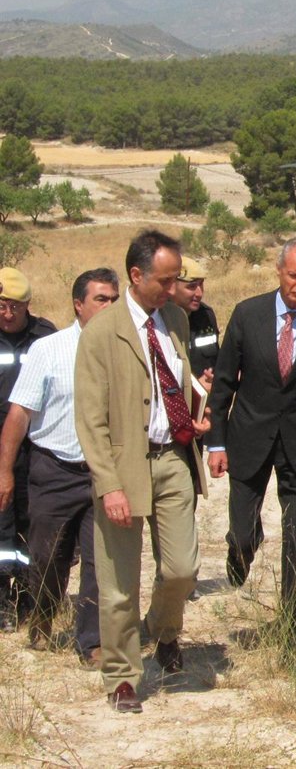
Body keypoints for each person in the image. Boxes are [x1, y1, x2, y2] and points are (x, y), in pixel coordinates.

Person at [75, 230, 210, 713]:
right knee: (118, 583)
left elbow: (172, 382)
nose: (174, 289)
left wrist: (192, 416)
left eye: (177, 279)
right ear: (136, 275)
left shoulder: (174, 320)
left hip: (173, 457)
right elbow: (90, 419)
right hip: (123, 464)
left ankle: (164, 631)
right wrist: (108, 484)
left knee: (182, 569)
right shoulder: (101, 332)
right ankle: (123, 677)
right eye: (165, 280)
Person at [207, 237, 296, 640]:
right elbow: (224, 383)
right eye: (294, 275)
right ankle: (241, 549)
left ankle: (293, 621)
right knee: (243, 530)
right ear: (279, 270)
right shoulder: (248, 314)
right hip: (249, 434)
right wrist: (216, 443)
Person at [0, 268, 118, 667]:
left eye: (114, 299)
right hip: (53, 469)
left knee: (100, 560)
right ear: (78, 304)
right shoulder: (48, 349)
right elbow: (19, 414)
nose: (109, 307)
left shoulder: (125, 350)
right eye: (101, 299)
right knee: (48, 558)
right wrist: (5, 471)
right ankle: (43, 615)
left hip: (103, 471)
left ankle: (92, 641)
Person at [0, 267, 56, 630]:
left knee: (29, 523)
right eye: (1, 306)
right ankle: (2, 600)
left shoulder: (44, 336)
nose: (8, 314)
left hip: (34, 448)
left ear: (28, 305)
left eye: (15, 307)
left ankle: (27, 595)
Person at [171, 256, 220, 384]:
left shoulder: (206, 315)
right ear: (172, 287)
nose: (199, 293)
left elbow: (216, 360)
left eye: (201, 284)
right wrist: (196, 387)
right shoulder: (160, 321)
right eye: (191, 286)